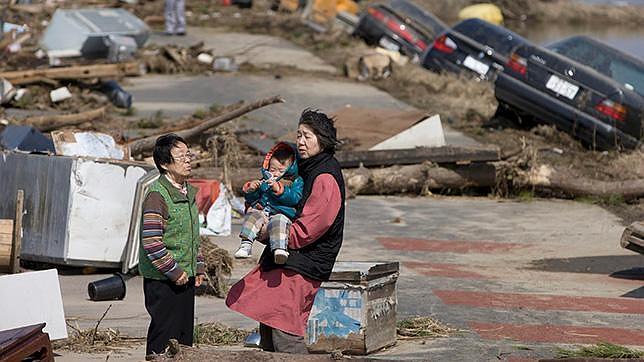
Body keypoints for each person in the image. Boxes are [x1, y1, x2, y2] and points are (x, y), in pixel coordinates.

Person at [226, 109, 345, 353]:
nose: (300, 141)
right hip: (288, 259)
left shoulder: (325, 176)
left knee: (285, 332)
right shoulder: (303, 167)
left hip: (303, 264)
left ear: (322, 139)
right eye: (299, 135)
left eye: (308, 136)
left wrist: (268, 233)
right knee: (269, 326)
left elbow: (308, 229)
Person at [139, 134, 206, 358]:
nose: (188, 159)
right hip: (163, 280)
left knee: (184, 337)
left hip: (184, 277)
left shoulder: (187, 192)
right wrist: (174, 271)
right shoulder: (157, 195)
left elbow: (193, 235)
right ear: (165, 164)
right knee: (164, 336)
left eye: (189, 154)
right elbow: (151, 241)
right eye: (181, 156)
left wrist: (198, 266)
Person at [234, 142, 304, 264]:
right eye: (272, 170)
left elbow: (295, 198)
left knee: (279, 221)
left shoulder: (295, 181)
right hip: (263, 213)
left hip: (282, 213)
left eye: (280, 170)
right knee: (253, 215)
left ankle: (280, 249)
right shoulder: (265, 180)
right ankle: (246, 244)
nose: (275, 173)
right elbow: (252, 200)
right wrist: (252, 190)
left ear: (290, 169)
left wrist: (280, 190)